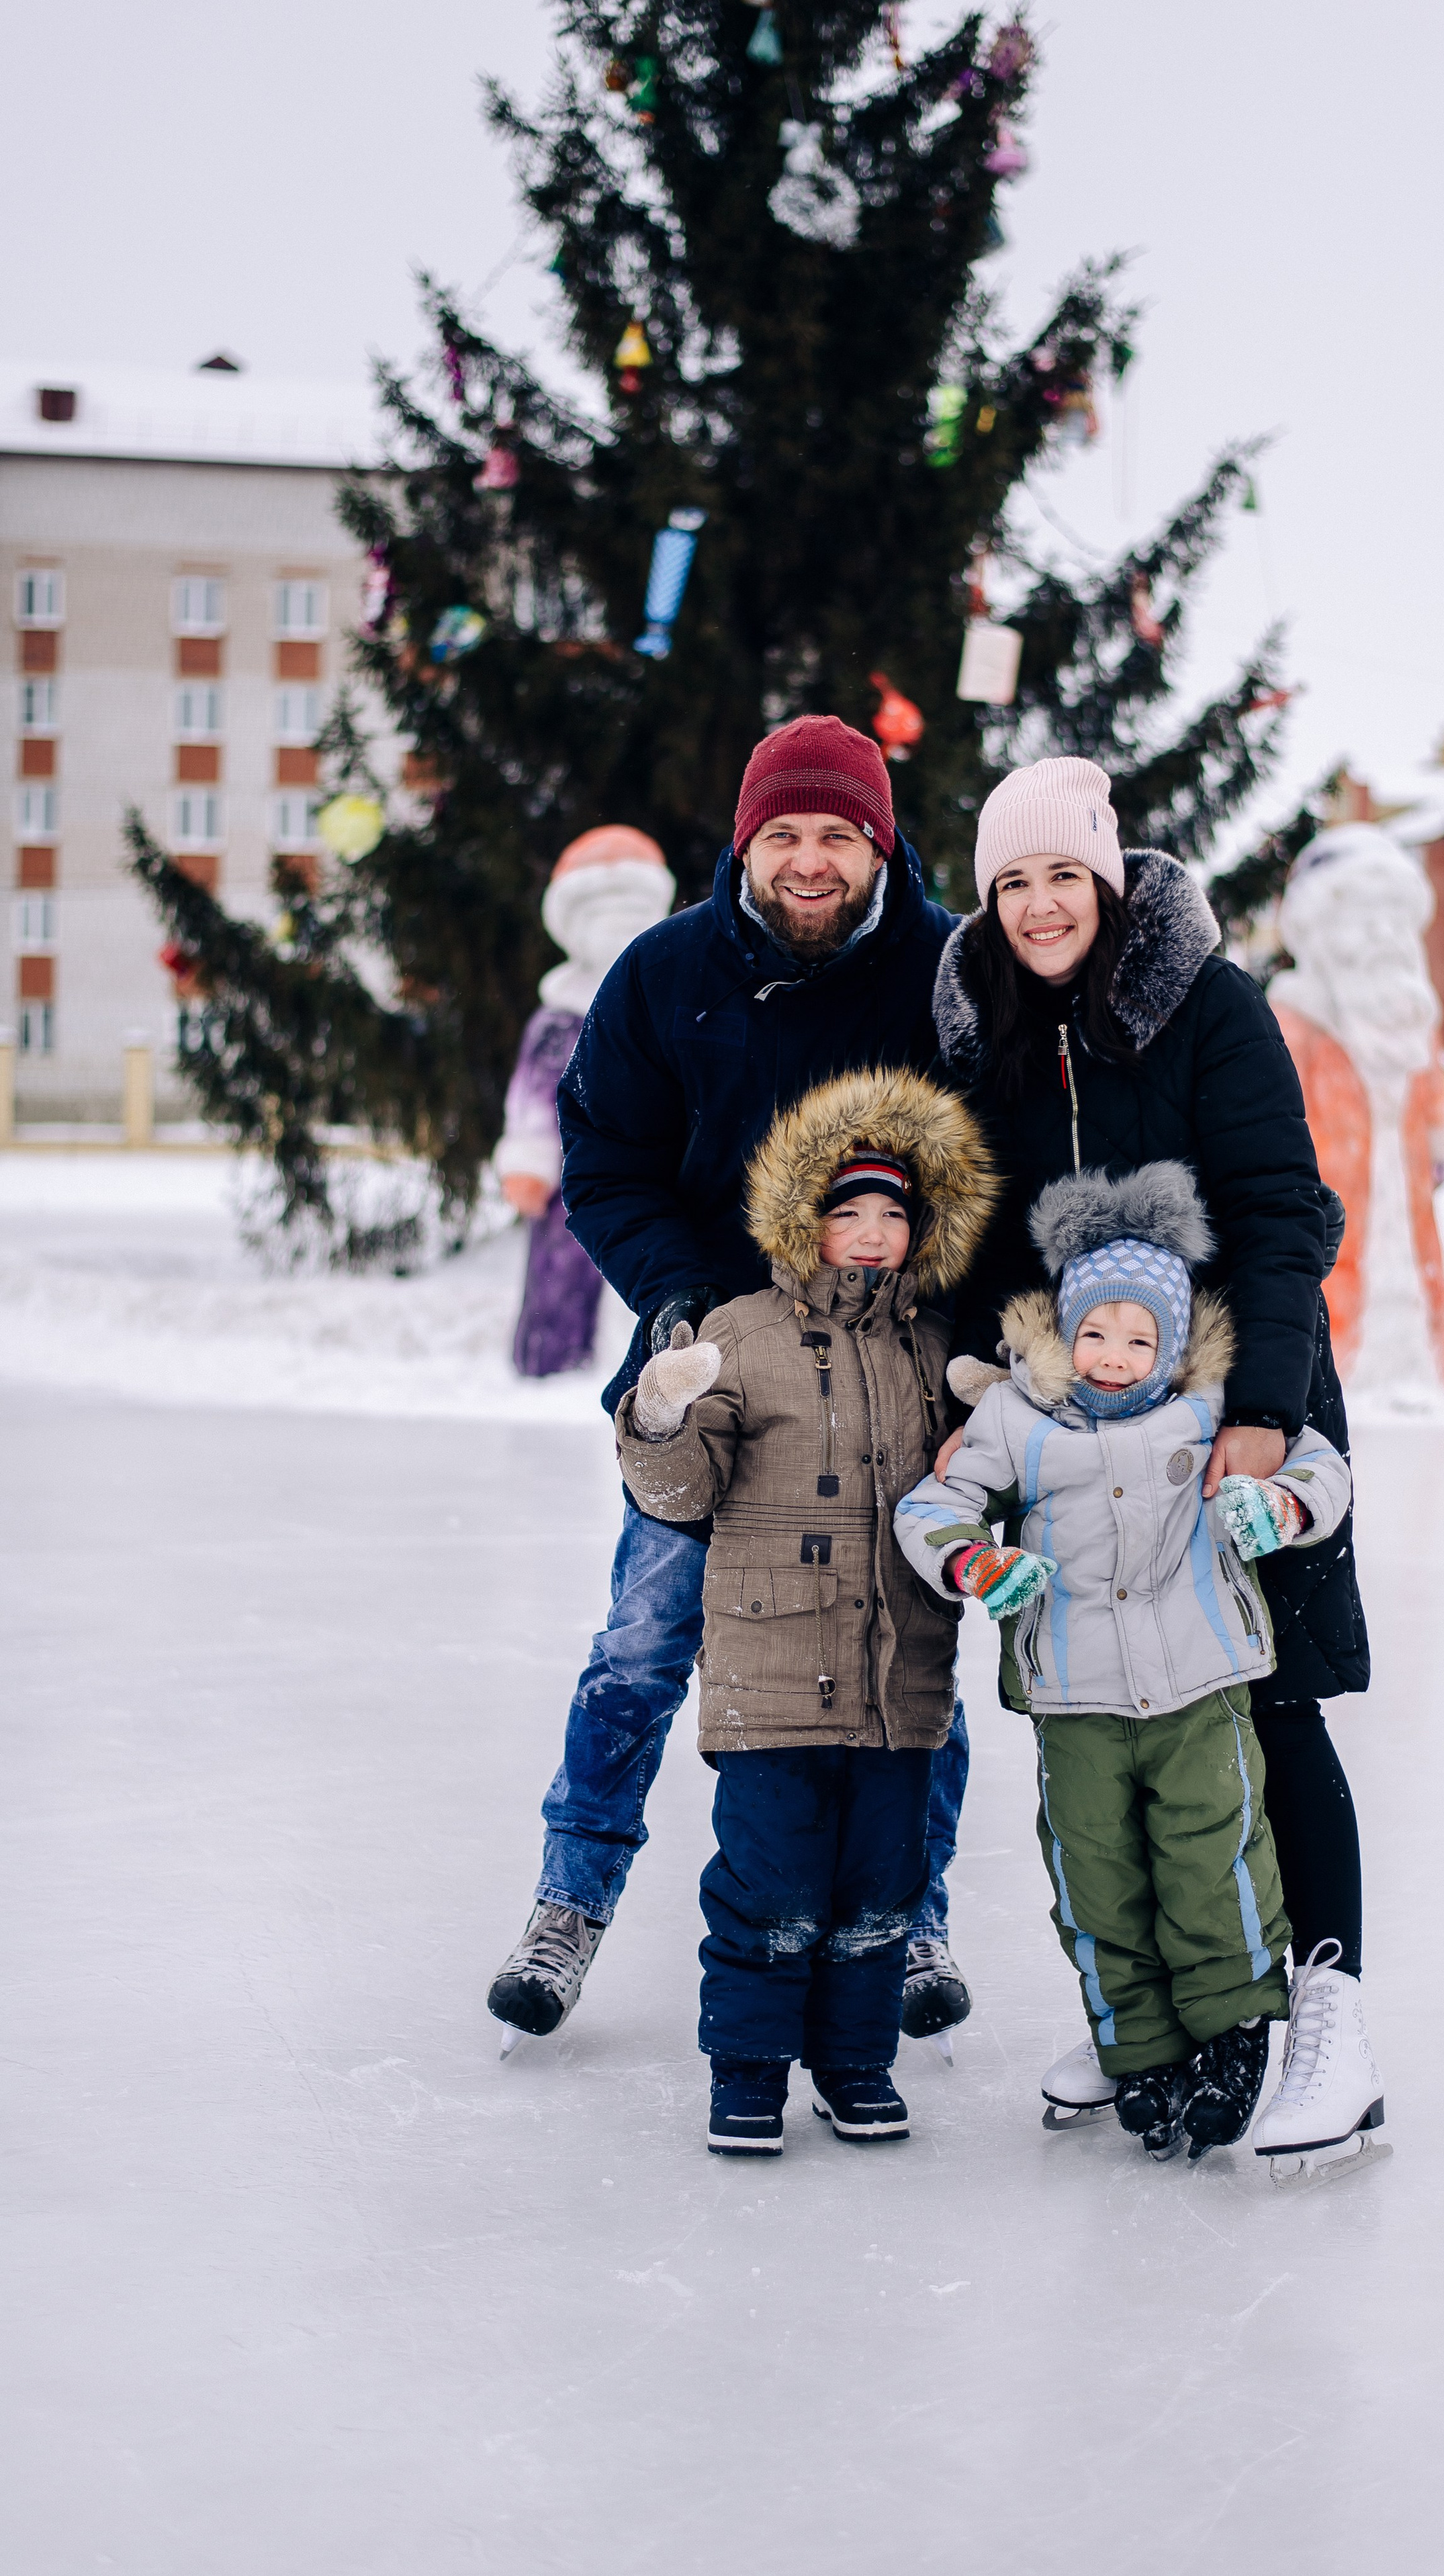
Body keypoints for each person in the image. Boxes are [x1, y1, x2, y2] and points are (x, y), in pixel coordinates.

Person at [487, 716, 976, 2047]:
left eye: (835, 835)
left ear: (876, 841)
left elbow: (992, 1160)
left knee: (903, 1654)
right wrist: (675, 1300)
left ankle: (912, 1914)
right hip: (713, 1375)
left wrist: (955, 1333)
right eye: (784, 835)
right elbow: (607, 1158)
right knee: (644, 1641)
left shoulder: (946, 974)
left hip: (888, 1381)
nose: (807, 861)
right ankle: (568, 1899)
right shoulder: (663, 974)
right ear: (745, 842)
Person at [930, 755, 1382, 2161]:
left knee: (1268, 1699)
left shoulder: (1205, 1005)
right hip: (1079, 1435)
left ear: (1110, 881)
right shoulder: (981, 1028)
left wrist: (1263, 1407)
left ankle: (1325, 2014)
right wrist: (975, 1382)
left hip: (1236, 1411)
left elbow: (1280, 1214)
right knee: (1118, 1724)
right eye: (1012, 881)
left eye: (1064, 874)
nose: (1039, 904)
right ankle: (1186, 2014)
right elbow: (978, 1228)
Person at [895, 1163, 1357, 2159]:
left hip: (1199, 1684)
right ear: (1065, 1331)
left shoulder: (1206, 1410)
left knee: (1214, 1859)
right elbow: (930, 1507)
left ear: (1175, 1344)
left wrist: (1278, 1504)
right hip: (1075, 1696)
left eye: (1141, 1338)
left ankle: (1231, 2035)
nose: (1115, 1357)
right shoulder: (1016, 1417)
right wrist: (974, 1559)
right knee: (1095, 1872)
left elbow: (1320, 1463)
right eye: (1095, 1333)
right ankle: (1138, 2043)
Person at [614, 1068, 994, 2153]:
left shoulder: (934, 1346)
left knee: (881, 1888)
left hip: (899, 1680)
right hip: (771, 1680)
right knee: (771, 1890)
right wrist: (663, 1414)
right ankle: (746, 2072)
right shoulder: (739, 1332)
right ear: (805, 1221)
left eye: (892, 1215)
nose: (871, 1234)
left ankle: (855, 2066)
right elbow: (680, 1496)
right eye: (848, 1213)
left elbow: (977, 1487)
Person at [1269, 823, 1444, 1397]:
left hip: (1406, 1204)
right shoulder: (1293, 1022)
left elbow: (1430, 1087)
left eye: (1392, 918)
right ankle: (1333, 1377)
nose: (1381, 934)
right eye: (1362, 918)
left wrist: (1438, 1136)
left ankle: (1422, 1367)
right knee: (1330, 1287)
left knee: (1415, 1273)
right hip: (1325, 1210)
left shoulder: (1408, 1019)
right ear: (1318, 929)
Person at [495, 826, 676, 1378]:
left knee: (668, 1268)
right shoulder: (561, 1018)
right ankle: (551, 1362)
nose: (622, 931)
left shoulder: (666, 1008)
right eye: (607, 918)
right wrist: (529, 1157)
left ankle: (667, 1372)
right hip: (576, 1171)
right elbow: (534, 1093)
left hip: (657, 1166)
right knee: (561, 1264)